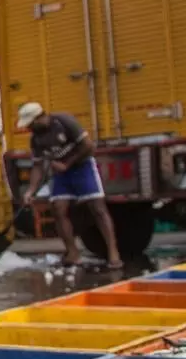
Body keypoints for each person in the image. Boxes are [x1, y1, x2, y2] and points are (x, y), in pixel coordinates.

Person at [16, 102, 122, 269]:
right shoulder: (36, 139)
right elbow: (38, 166)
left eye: (31, 124)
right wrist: (30, 191)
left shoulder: (64, 122)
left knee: (97, 208)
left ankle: (113, 253)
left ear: (39, 118)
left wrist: (67, 163)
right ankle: (72, 253)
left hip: (82, 166)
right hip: (61, 173)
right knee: (58, 208)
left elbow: (88, 146)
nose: (29, 128)